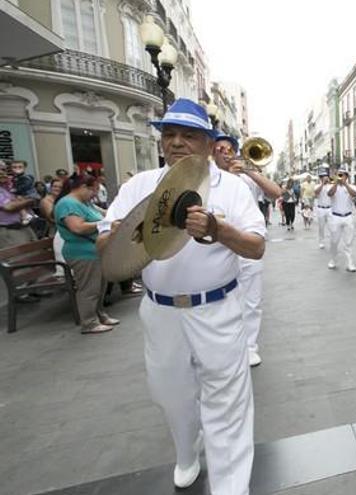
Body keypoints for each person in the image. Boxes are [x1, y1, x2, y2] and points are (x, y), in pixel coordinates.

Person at [97, 99, 266, 494]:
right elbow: (106, 247)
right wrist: (121, 234)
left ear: (208, 144)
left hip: (218, 309)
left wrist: (217, 229)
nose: (176, 143)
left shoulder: (233, 188)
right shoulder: (139, 185)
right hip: (161, 313)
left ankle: (231, 485)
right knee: (169, 394)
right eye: (169, 135)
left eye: (188, 135)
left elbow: (256, 247)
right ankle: (187, 450)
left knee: (227, 402)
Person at [213, 134, 283, 368]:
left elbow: (276, 193)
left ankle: (250, 346)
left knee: (251, 301)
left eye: (229, 148)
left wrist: (248, 171)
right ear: (212, 152)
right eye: (220, 148)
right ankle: (228, 344)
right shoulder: (210, 178)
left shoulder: (248, 178)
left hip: (248, 245)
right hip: (218, 248)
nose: (225, 152)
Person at [55, 173, 119, 334]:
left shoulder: (85, 202)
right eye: (93, 190)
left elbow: (105, 213)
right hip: (82, 253)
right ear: (83, 187)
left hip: (96, 250)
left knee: (100, 287)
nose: (95, 194)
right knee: (89, 289)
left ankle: (100, 315)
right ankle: (89, 322)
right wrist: (104, 224)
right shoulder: (67, 204)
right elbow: (77, 227)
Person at [327, 166, 356, 272]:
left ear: (347, 176)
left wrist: (345, 184)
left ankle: (350, 263)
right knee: (334, 241)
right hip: (335, 217)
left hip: (348, 216)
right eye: (339, 174)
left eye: (342, 175)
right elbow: (330, 193)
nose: (340, 177)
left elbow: (355, 194)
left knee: (348, 242)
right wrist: (336, 182)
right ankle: (333, 259)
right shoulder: (332, 186)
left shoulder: (351, 186)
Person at [0, 168, 38, 249]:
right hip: (11, 231)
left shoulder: (8, 187)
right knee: (21, 259)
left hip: (25, 227)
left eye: (4, 170)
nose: (3, 173)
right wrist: (31, 199)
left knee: (35, 255)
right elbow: (9, 207)